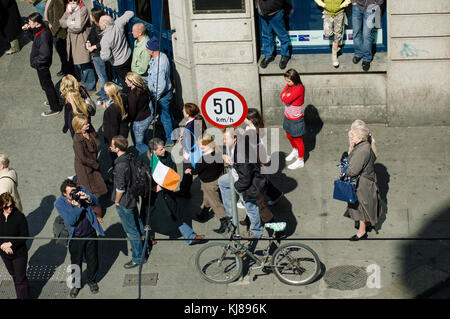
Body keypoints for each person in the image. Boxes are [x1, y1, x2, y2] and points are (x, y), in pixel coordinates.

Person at [140, 137, 206, 245]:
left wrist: (162, 186)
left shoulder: (167, 157)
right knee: (147, 217)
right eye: (161, 149)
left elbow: (173, 173)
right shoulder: (143, 159)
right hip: (150, 196)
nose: (164, 151)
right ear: (153, 151)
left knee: (176, 214)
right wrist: (148, 187)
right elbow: (139, 178)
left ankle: (190, 236)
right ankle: (149, 238)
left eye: (163, 148)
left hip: (165, 193)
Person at [55, 179, 104, 297]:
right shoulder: (59, 203)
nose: (74, 193)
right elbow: (71, 220)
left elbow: (96, 201)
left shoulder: (81, 190)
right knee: (76, 262)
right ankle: (76, 285)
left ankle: (91, 281)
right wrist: (79, 206)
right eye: (71, 192)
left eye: (74, 190)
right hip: (76, 237)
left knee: (93, 260)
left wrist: (87, 197)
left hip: (90, 233)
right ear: (64, 194)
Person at [218, 127, 266, 239]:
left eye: (225, 139)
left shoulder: (242, 155)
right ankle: (230, 215)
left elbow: (246, 179)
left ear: (234, 138)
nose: (223, 141)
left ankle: (256, 231)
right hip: (238, 176)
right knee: (222, 182)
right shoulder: (237, 142)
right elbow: (223, 147)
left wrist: (236, 187)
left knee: (251, 208)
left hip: (247, 184)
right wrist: (224, 154)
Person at [109, 136, 148, 268]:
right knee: (138, 224)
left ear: (117, 148)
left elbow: (120, 188)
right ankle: (145, 249)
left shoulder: (120, 165)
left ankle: (138, 258)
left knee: (131, 231)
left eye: (112, 144)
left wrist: (117, 201)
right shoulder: (130, 156)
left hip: (125, 201)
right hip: (133, 197)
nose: (110, 146)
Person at [344, 125, 381, 241]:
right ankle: (367, 224)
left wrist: (344, 168)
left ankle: (361, 232)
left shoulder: (362, 151)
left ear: (360, 136)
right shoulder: (366, 146)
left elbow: (353, 171)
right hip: (367, 182)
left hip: (362, 184)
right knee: (365, 206)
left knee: (361, 208)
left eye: (353, 136)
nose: (351, 138)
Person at [185, 134, 228, 233]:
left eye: (202, 145)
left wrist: (189, 170)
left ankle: (224, 221)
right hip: (217, 179)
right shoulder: (217, 153)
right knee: (207, 198)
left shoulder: (203, 159)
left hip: (208, 183)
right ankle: (204, 213)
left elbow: (196, 171)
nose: (200, 147)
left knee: (215, 203)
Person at [23, 12, 61, 117]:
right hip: (40, 64)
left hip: (41, 65)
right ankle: (52, 100)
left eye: (30, 22)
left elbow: (45, 55)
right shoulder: (39, 30)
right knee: (45, 85)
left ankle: (55, 107)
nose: (28, 23)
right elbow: (33, 38)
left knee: (47, 85)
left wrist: (35, 62)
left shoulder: (44, 35)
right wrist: (27, 31)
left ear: (36, 23)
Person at [72, 115, 107, 223]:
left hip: (92, 164)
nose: (89, 124)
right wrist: (95, 165)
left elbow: (96, 142)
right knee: (90, 192)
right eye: (85, 124)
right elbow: (83, 158)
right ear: (79, 126)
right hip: (85, 169)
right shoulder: (77, 141)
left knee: (94, 186)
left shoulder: (89, 131)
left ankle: (95, 211)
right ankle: (95, 213)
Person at [59, 0, 96, 92]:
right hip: (72, 41)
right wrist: (71, 22)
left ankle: (90, 86)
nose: (72, 2)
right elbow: (61, 22)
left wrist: (68, 26)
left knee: (85, 63)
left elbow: (78, 28)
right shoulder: (69, 9)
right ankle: (83, 82)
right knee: (79, 64)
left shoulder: (83, 10)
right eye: (70, 0)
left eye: (74, 0)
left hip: (81, 40)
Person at [146, 36, 175, 146]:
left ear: (152, 50)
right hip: (165, 93)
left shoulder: (159, 65)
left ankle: (170, 138)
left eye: (147, 48)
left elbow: (161, 85)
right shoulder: (162, 56)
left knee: (165, 116)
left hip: (162, 95)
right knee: (168, 113)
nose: (146, 50)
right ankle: (173, 128)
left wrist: (156, 96)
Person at [0, 193, 30, 299]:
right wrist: (3, 246)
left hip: (19, 254)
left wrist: (11, 244)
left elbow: (25, 235)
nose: (9, 208)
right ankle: (23, 291)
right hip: (5, 254)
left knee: (20, 279)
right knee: (14, 275)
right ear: (1, 207)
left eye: (11, 205)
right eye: (6, 207)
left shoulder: (19, 216)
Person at [99, 11, 134, 94]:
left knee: (126, 82)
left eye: (100, 23)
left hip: (119, 63)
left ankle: (131, 96)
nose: (98, 24)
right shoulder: (118, 23)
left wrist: (102, 54)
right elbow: (130, 13)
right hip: (128, 56)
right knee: (132, 77)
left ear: (104, 26)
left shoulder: (105, 39)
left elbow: (105, 57)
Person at [176, 103, 207, 198]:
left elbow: (189, 146)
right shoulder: (198, 121)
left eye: (184, 110)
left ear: (188, 114)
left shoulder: (189, 126)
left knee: (187, 173)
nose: (182, 111)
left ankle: (184, 192)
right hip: (200, 151)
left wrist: (181, 141)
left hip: (190, 155)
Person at [280, 69, 306, 170]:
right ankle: (295, 150)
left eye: (289, 81)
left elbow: (285, 99)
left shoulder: (299, 88)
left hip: (296, 119)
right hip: (288, 116)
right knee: (289, 135)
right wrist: (286, 93)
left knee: (298, 139)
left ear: (294, 79)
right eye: (286, 81)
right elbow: (282, 95)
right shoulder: (289, 85)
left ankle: (300, 160)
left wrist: (286, 95)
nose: (287, 83)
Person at [314, 0, 351, 67]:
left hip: (339, 13)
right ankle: (336, 46)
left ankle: (334, 55)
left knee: (337, 34)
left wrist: (342, 5)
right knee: (328, 33)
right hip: (327, 13)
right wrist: (322, 4)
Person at [256, 0, 291, 69]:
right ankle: (268, 55)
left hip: (276, 12)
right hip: (263, 12)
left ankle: (285, 55)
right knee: (266, 35)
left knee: (282, 35)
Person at [352, 0, 385, 71]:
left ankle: (367, 58)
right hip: (357, 6)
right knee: (356, 32)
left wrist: (377, 4)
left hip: (371, 7)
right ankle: (358, 53)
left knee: (367, 35)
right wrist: (353, 1)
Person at [86, 7, 109, 105]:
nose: (90, 16)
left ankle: (105, 95)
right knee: (102, 75)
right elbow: (91, 36)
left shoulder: (100, 27)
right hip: (96, 54)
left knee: (102, 76)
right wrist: (87, 42)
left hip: (99, 55)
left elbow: (103, 42)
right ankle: (104, 92)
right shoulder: (95, 26)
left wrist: (93, 47)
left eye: (91, 15)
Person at [125, 72, 152, 155]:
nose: (125, 81)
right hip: (147, 116)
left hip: (139, 121)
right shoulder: (143, 88)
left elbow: (132, 112)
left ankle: (150, 157)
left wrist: (128, 120)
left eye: (126, 80)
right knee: (144, 138)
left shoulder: (132, 96)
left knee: (139, 145)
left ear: (132, 82)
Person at [45, 0, 72, 76]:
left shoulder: (57, 1)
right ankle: (65, 69)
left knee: (64, 54)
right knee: (62, 55)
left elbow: (58, 19)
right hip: (56, 33)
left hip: (59, 34)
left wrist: (53, 32)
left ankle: (68, 72)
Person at [102, 82, 129, 153]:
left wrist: (111, 144)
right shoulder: (123, 97)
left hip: (116, 138)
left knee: (116, 157)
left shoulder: (111, 110)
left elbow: (112, 128)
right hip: (123, 131)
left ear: (107, 94)